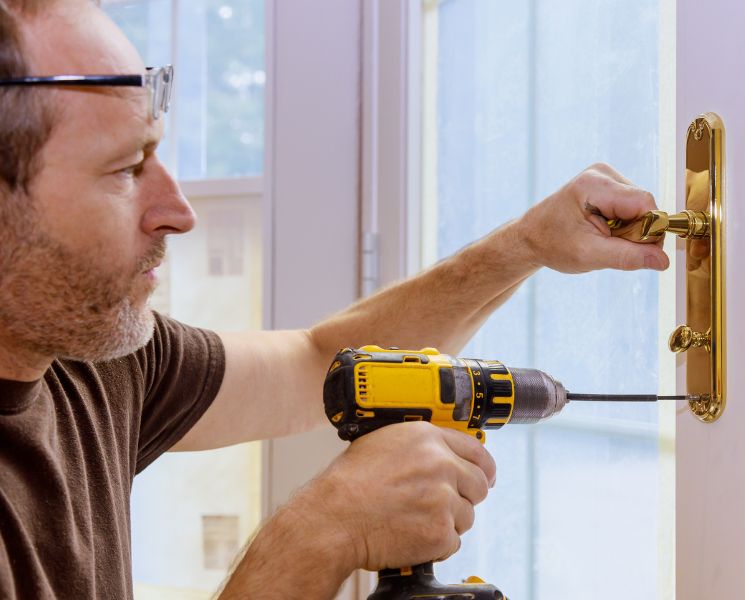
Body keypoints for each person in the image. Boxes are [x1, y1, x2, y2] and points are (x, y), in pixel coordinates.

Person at [0, 1, 670, 598]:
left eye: (158, 152)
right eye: (126, 168)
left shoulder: (92, 358)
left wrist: (525, 244)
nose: (177, 210)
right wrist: (316, 534)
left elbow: (318, 364)